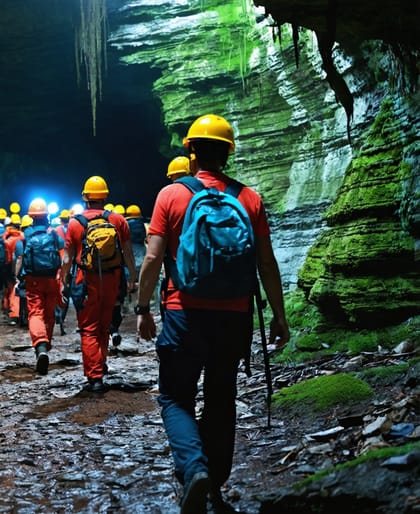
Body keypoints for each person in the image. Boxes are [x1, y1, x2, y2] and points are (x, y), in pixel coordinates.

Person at [136, 114, 290, 512]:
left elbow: (153, 258)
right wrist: (279, 315)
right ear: (228, 153)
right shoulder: (249, 198)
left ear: (191, 152)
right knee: (222, 397)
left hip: (183, 312)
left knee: (175, 398)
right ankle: (215, 485)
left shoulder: (170, 196)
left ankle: (194, 470)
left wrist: (142, 309)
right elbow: (267, 263)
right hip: (235, 316)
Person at [61, 176, 138, 394]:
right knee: (104, 325)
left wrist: (63, 280)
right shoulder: (118, 220)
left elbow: (67, 259)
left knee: (88, 329)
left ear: (85, 197)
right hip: (112, 279)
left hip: (86, 281)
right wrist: (132, 275)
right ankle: (100, 364)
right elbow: (128, 252)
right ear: (105, 196)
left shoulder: (75, 223)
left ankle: (95, 377)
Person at [15, 199, 64, 375]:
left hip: (33, 280)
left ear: (31, 217)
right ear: (46, 216)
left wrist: (17, 277)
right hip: (51, 278)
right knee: (49, 314)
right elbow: (63, 254)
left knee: (35, 312)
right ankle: (46, 344)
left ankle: (40, 347)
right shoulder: (53, 234)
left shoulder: (24, 236)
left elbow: (20, 259)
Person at [3, 214, 25, 324]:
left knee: (12, 290)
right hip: (22, 267)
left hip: (10, 267)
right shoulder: (23, 237)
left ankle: (13, 313)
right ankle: (19, 312)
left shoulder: (7, 238)